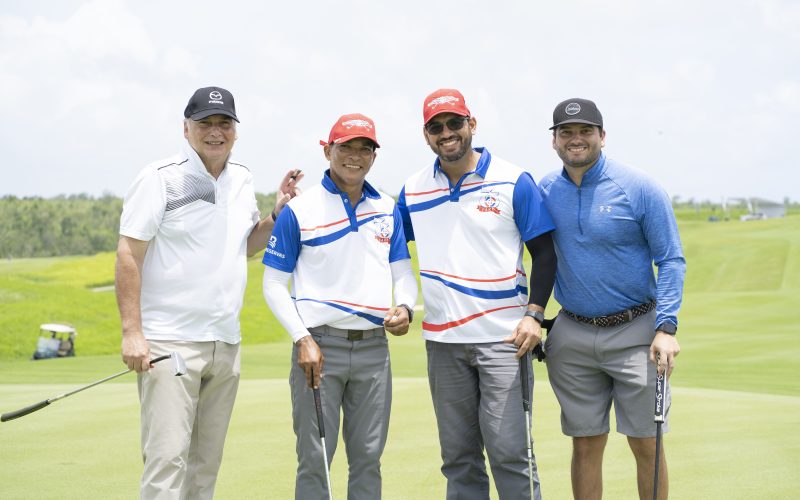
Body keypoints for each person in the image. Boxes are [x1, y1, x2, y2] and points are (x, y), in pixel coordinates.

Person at [115, 85, 302, 500]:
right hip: (170, 341)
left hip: (225, 343)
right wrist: (132, 332)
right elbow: (129, 253)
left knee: (205, 466)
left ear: (235, 130)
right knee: (167, 461)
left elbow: (247, 246)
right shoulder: (160, 178)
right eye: (205, 123)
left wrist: (277, 213)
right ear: (186, 129)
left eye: (224, 123)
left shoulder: (241, 179)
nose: (215, 132)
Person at [397, 89, 557, 500]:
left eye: (454, 123)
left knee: (510, 453)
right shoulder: (412, 190)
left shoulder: (513, 180)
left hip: (505, 340)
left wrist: (534, 315)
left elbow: (544, 252)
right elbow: (385, 245)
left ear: (472, 124)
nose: (446, 133)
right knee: (459, 458)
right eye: (436, 127)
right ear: (426, 134)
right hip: (444, 344)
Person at [262, 113, 418, 500]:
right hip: (318, 348)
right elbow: (274, 283)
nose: (355, 156)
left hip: (373, 349)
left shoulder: (387, 206)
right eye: (346, 147)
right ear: (328, 149)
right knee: (315, 458)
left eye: (365, 148)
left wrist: (406, 307)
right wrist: (302, 338)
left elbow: (403, 272)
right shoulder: (301, 209)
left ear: (374, 157)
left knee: (368, 458)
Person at [539, 98, 686, 500]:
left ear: (602, 136)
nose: (576, 139)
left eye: (586, 131)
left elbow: (671, 260)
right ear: (554, 141)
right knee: (585, 442)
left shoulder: (639, 187)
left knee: (646, 444)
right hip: (572, 334)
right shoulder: (545, 190)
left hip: (637, 332)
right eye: (566, 132)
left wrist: (666, 327)